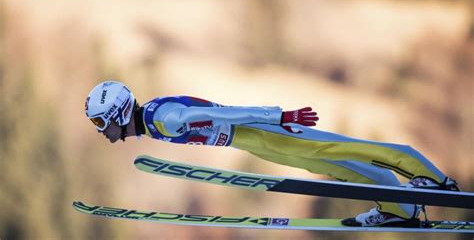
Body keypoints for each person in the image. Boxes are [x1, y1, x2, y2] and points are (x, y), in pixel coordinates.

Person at [85, 81, 459, 227]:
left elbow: (220, 113)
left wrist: (278, 116)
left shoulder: (162, 118)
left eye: (101, 123)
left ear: (117, 112)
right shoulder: (152, 122)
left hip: (258, 129)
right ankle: (398, 208)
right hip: (250, 140)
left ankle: (430, 177)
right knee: (332, 165)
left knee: (338, 148)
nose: (102, 132)